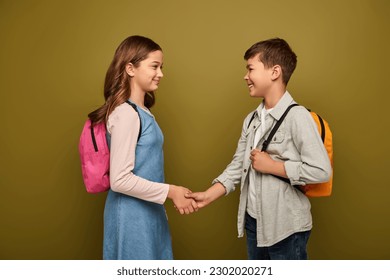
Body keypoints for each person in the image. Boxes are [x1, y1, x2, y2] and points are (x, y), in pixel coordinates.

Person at [186, 38, 331, 260]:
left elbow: (321, 170)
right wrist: (209, 195)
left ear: (274, 72)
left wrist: (273, 166)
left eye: (250, 69)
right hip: (254, 223)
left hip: (287, 228)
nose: (246, 76)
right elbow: (238, 165)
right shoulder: (251, 120)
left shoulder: (298, 116)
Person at [88, 35, 197, 260]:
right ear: (130, 68)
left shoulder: (142, 111)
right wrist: (171, 191)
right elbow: (120, 180)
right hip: (130, 218)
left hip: (147, 214)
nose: (161, 74)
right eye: (154, 66)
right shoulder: (126, 114)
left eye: (161, 67)